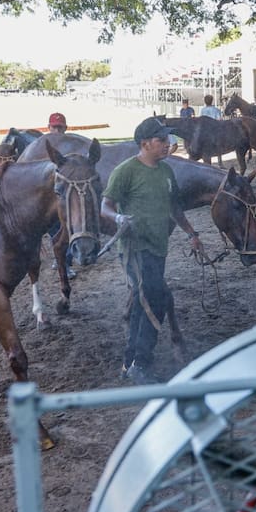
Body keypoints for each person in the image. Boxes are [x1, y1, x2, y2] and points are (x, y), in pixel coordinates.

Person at [102, 117, 205, 380]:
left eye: (168, 139)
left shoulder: (166, 172)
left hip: (159, 248)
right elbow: (106, 206)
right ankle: (141, 364)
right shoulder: (125, 171)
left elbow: (174, 209)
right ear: (145, 144)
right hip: (135, 248)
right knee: (153, 299)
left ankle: (129, 363)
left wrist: (192, 234)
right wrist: (118, 218)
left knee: (141, 302)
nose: (168, 144)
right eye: (161, 140)